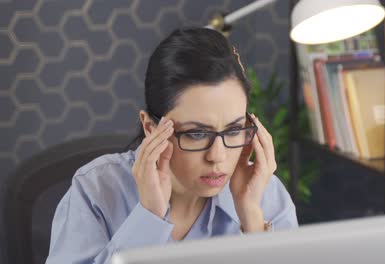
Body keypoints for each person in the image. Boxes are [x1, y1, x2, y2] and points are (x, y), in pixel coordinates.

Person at [46, 27, 298, 264]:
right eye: (197, 134)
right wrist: (149, 217)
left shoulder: (265, 194)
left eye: (233, 130)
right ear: (150, 127)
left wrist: (252, 220)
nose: (218, 157)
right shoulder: (96, 191)